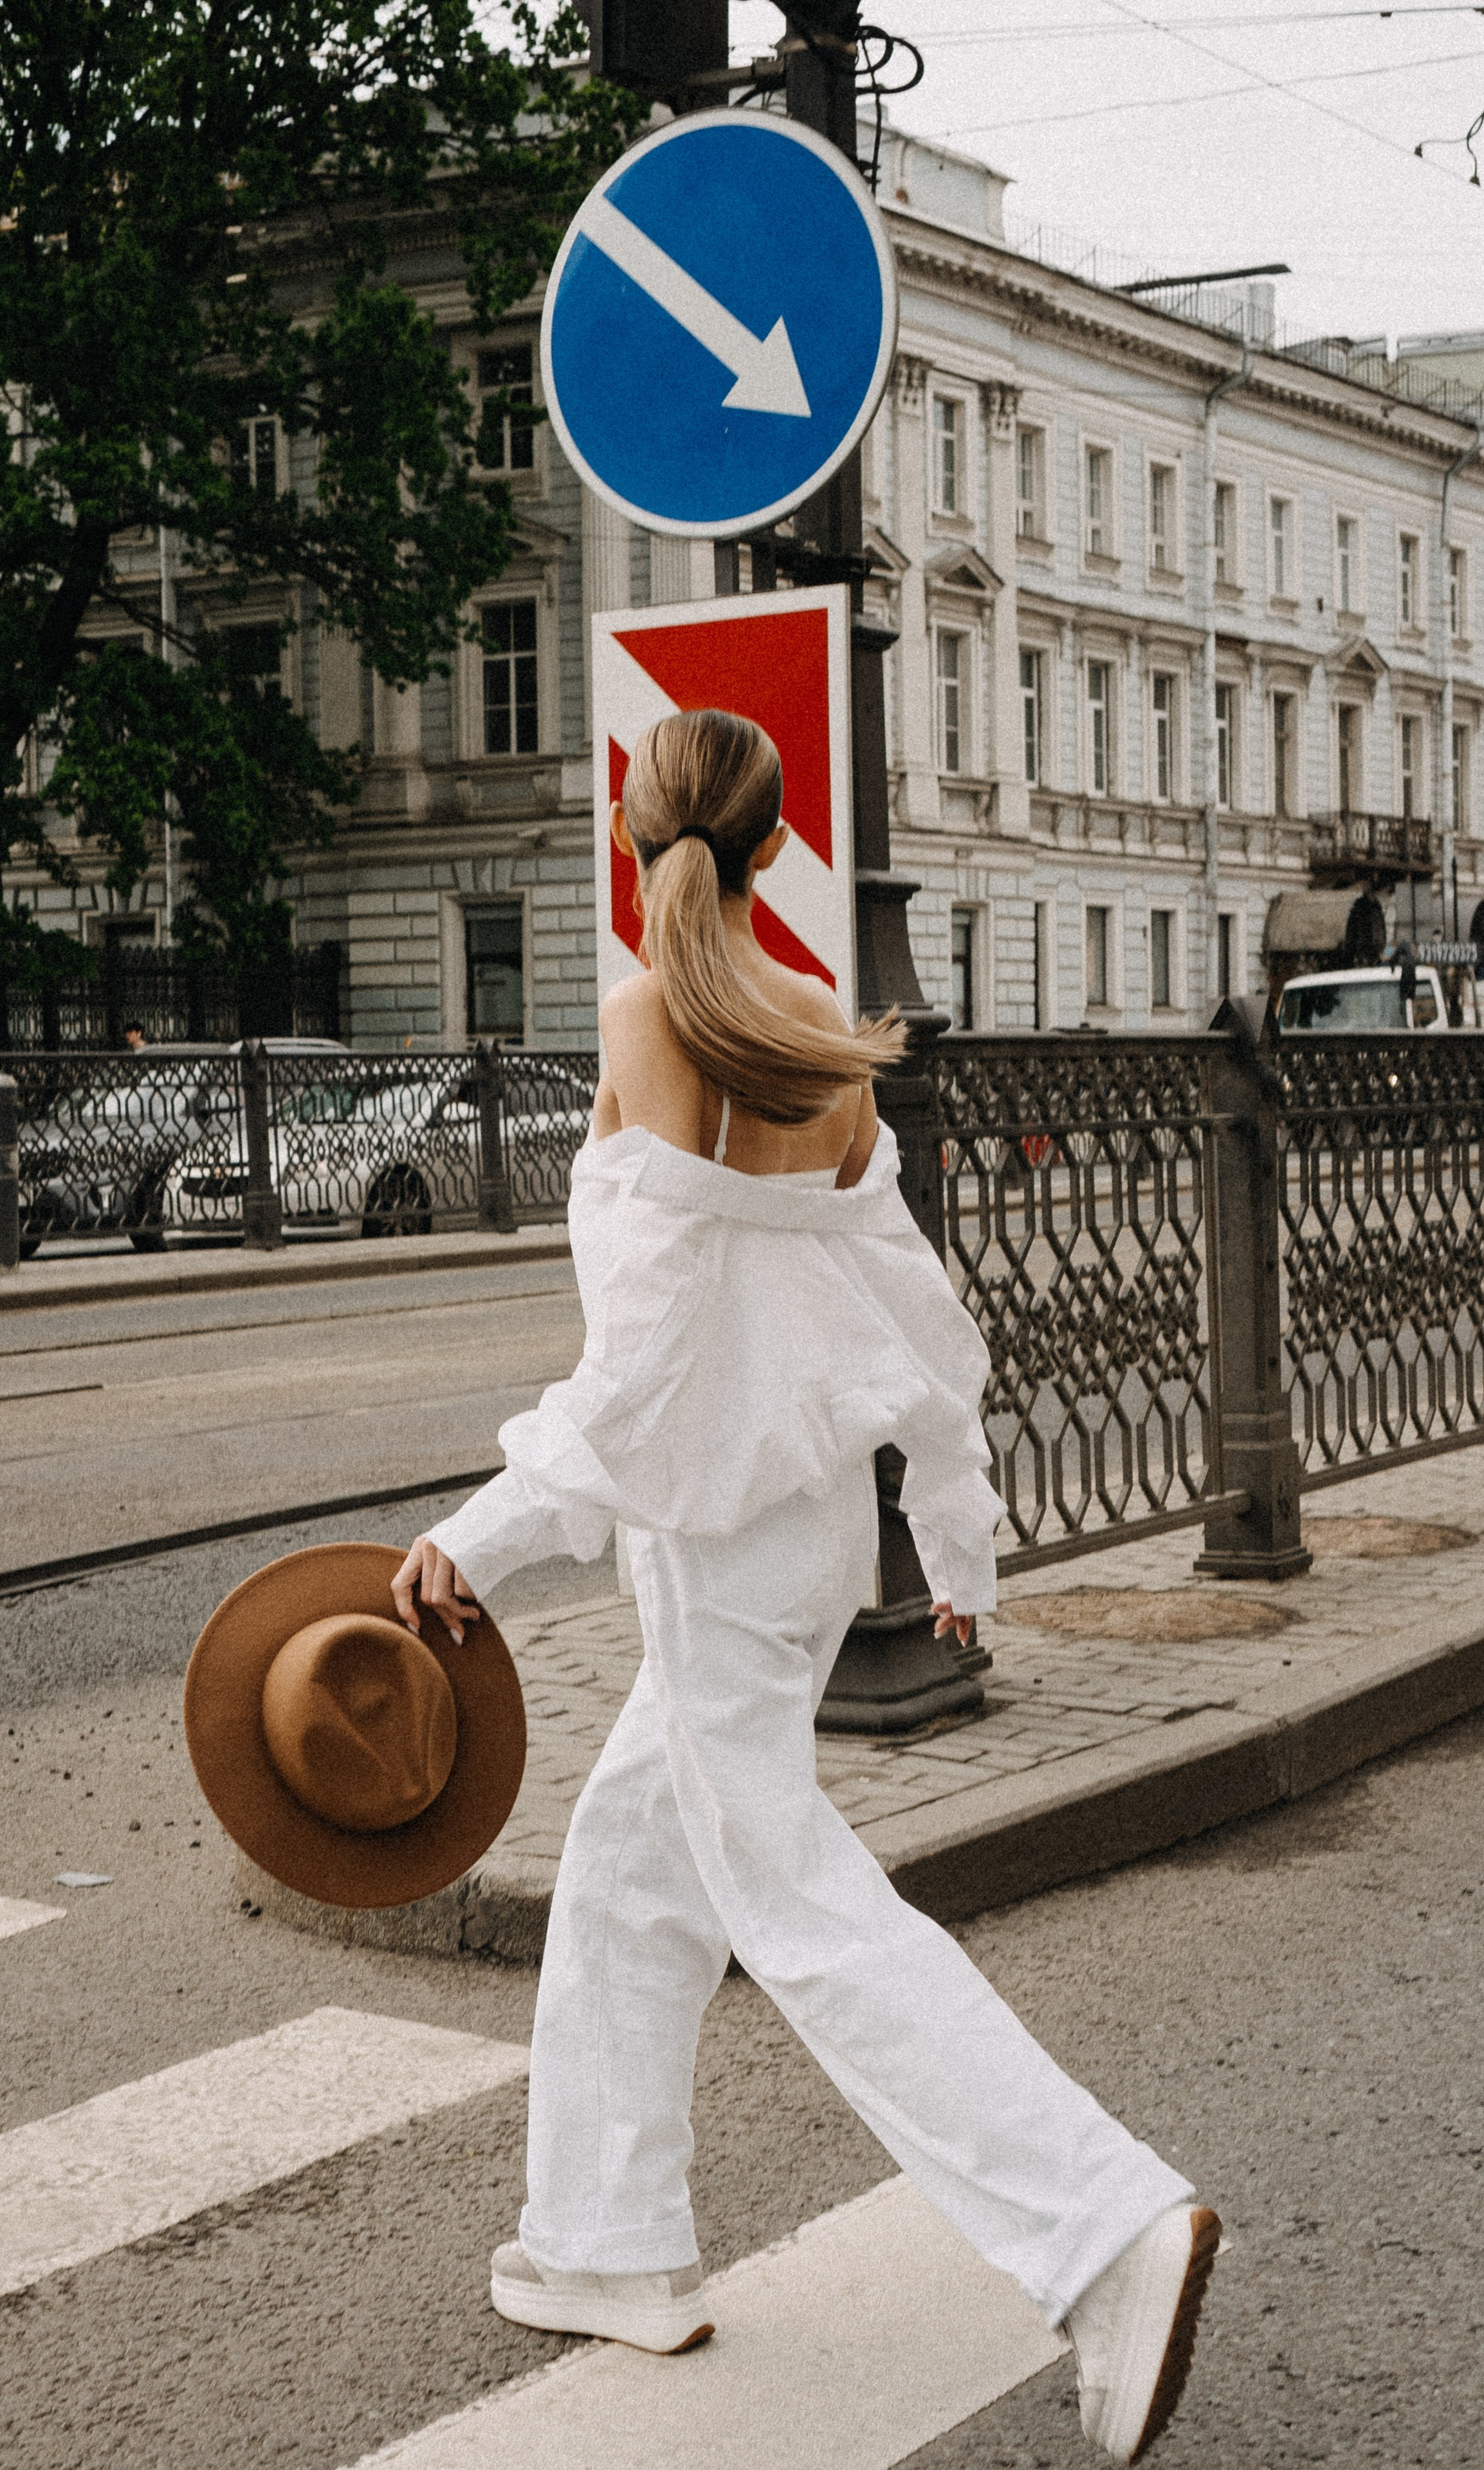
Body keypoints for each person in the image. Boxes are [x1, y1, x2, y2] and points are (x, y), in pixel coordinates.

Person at [391, 709, 1218, 2464]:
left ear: (634, 825)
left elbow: (646, 1369)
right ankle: (605, 2244)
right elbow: (923, 1323)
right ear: (772, 848)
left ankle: (1105, 2231)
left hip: (712, 1537)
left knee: (801, 1904)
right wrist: (965, 1535)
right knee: (635, 1867)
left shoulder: (651, 1018)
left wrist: (486, 1534)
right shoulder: (817, 1041)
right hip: (811, 1531)